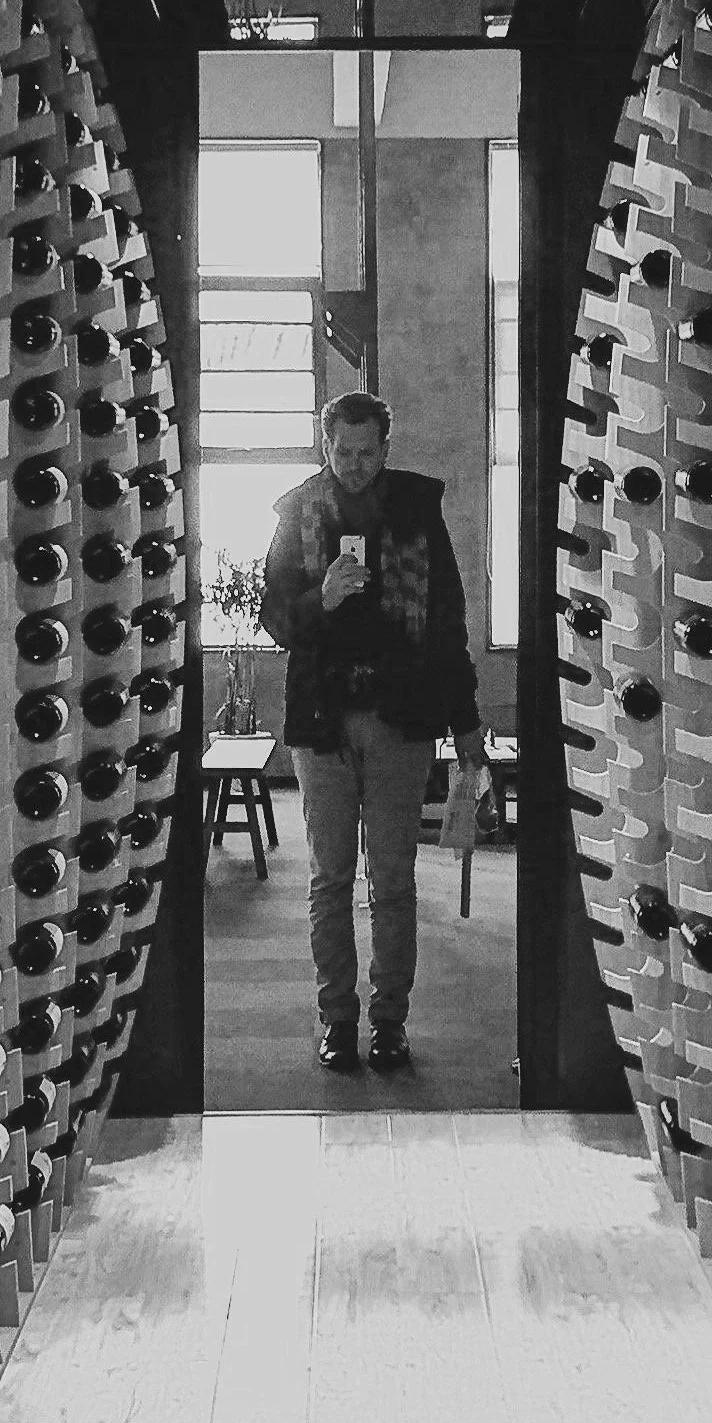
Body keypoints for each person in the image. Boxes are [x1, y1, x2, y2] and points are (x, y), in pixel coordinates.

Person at [261, 391, 485, 1072]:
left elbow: (447, 622)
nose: (354, 465)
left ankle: (389, 1021)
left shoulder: (417, 510)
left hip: (402, 716)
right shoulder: (296, 511)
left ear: (385, 448)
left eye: (366, 452)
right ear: (324, 446)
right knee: (329, 879)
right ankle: (336, 1019)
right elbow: (273, 618)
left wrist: (467, 723)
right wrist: (318, 599)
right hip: (321, 720)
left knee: (391, 879)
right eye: (342, 452)